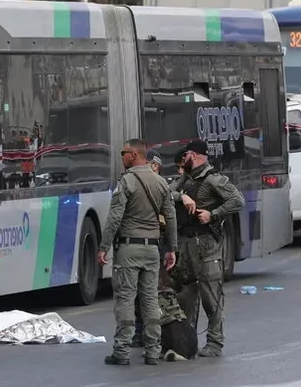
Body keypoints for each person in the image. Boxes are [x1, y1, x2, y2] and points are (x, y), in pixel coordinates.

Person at [98, 139, 177, 366]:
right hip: (152, 249)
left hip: (128, 249)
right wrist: (171, 249)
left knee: (125, 299)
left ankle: (121, 351)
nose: (121, 157)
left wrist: (103, 247)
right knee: (150, 300)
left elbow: (114, 218)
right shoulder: (161, 183)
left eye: (124, 153)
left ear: (133, 155)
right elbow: (170, 219)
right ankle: (153, 351)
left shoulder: (127, 182)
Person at [175, 139, 245, 358]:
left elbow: (238, 200)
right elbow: (164, 192)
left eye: (185, 155)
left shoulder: (213, 179)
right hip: (187, 244)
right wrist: (181, 196)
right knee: (186, 294)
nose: (182, 159)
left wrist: (213, 214)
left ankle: (215, 342)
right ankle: (188, 341)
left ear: (194, 155)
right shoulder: (185, 180)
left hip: (208, 245)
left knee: (210, 294)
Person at [131, 148, 167, 348]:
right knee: (138, 292)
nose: (153, 169)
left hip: (155, 245)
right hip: (143, 244)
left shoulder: (161, 186)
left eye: (155, 166)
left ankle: (151, 334)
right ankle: (140, 333)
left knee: (151, 292)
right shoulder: (135, 183)